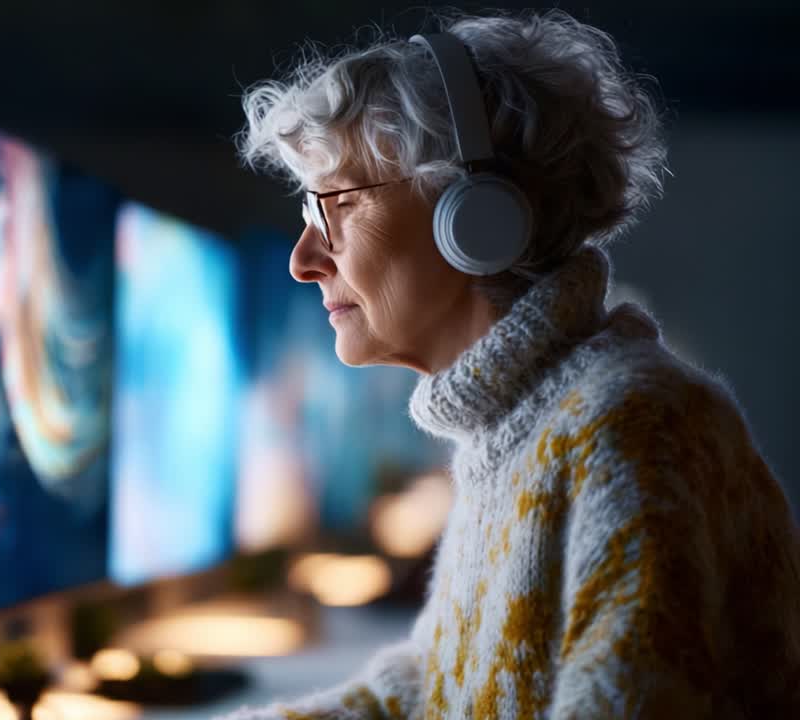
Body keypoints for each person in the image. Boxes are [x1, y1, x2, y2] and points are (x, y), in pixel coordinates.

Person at [223, 8, 800, 719]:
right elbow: (438, 686)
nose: (302, 260)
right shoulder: (520, 430)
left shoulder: (633, 427)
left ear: (470, 216)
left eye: (332, 206)